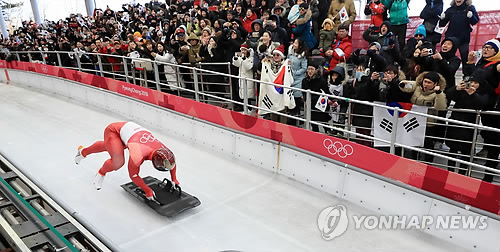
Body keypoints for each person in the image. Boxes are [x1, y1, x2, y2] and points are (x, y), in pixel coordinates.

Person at [74, 122, 178, 200]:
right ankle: (101, 173)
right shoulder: (138, 154)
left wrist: (174, 178)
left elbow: (171, 161)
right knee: (118, 162)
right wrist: (147, 190)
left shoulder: (164, 150)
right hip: (114, 131)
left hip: (131, 132)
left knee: (109, 146)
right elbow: (133, 175)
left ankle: (83, 152)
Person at [439, 0, 479, 66]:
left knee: (464, 56)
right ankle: (444, 72)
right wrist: (442, 18)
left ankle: (466, 74)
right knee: (447, 55)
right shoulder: (450, 10)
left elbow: (475, 22)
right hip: (451, 37)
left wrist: (471, 17)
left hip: (464, 37)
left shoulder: (470, 8)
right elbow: (442, 24)